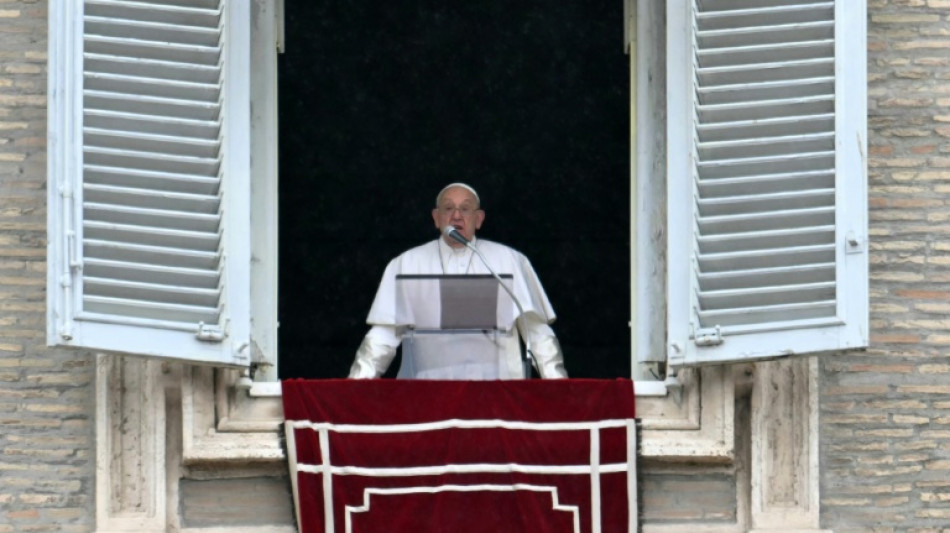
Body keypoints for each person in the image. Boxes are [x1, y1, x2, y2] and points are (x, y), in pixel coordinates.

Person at [348, 183, 568, 380]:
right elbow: (383, 336)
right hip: (426, 393)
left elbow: (537, 333)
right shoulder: (406, 264)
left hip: (497, 394)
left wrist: (559, 388)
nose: (456, 216)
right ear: (436, 217)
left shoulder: (510, 261)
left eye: (465, 208)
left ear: (479, 219)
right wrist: (354, 388)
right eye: (448, 208)